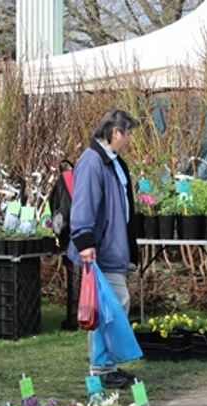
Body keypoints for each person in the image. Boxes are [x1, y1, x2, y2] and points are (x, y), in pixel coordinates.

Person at [67, 109, 140, 389]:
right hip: (99, 252)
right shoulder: (92, 161)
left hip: (112, 248)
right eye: (128, 133)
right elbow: (83, 204)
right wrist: (85, 242)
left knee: (113, 308)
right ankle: (101, 368)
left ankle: (107, 366)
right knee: (111, 307)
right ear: (115, 132)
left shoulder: (114, 163)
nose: (130, 140)